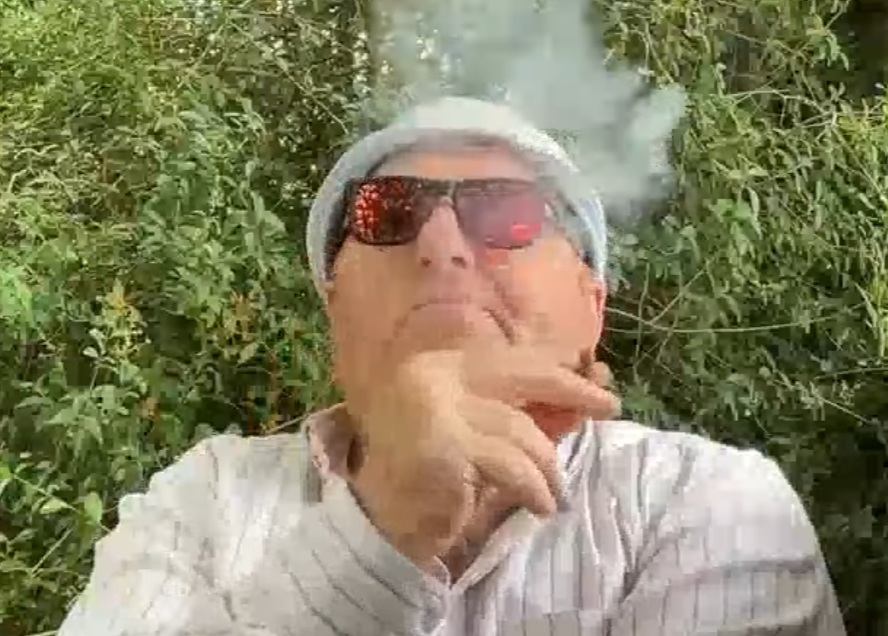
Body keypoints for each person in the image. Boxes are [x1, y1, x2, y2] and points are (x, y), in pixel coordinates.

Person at [58, 97, 846, 635]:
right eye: (388, 213)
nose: (439, 245)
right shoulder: (202, 500)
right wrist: (385, 518)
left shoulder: (704, 502)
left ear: (592, 307)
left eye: (507, 211)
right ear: (334, 306)